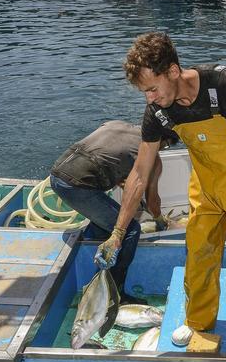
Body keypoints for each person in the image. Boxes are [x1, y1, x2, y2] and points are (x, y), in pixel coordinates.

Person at [97, 32, 226, 346]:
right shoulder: (158, 112)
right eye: (144, 92)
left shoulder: (225, 83)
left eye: (152, 89)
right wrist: (118, 232)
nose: (149, 98)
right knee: (198, 250)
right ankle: (198, 320)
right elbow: (139, 173)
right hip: (205, 181)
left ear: (172, 71)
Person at [49, 120, 167, 302]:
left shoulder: (117, 124)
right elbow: (152, 202)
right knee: (130, 230)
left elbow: (109, 160)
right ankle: (115, 295)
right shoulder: (152, 157)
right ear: (163, 143)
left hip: (57, 175)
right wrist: (160, 220)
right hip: (78, 187)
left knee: (106, 225)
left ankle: (96, 276)